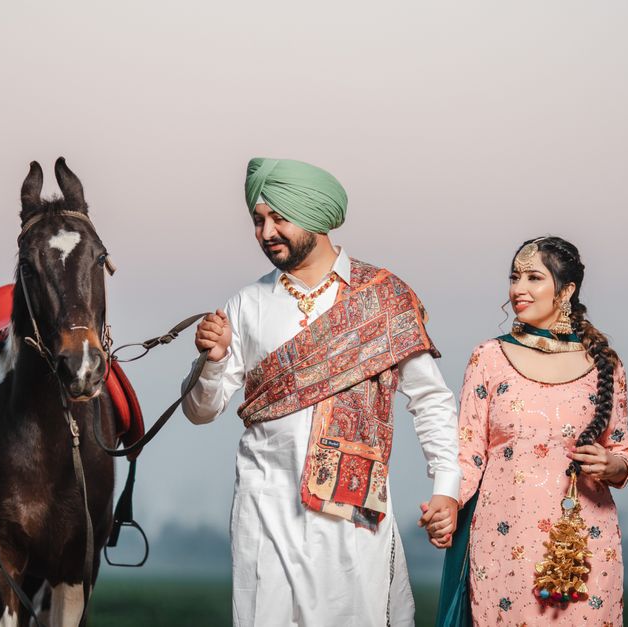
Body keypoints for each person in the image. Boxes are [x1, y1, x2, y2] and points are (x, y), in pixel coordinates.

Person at [181, 157, 462, 626]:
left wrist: (447, 488)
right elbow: (201, 411)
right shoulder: (246, 305)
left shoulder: (384, 298)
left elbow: (429, 399)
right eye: (257, 220)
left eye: (278, 218)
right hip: (264, 507)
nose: (265, 231)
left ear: (313, 215)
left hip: (351, 509)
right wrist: (212, 362)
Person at [431, 236, 628, 626]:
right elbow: (469, 453)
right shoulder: (490, 357)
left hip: (584, 542)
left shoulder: (606, 364)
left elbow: (624, 454)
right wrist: (447, 502)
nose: (518, 289)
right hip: (504, 540)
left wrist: (612, 466)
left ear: (567, 290)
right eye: (514, 277)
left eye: (533, 278)